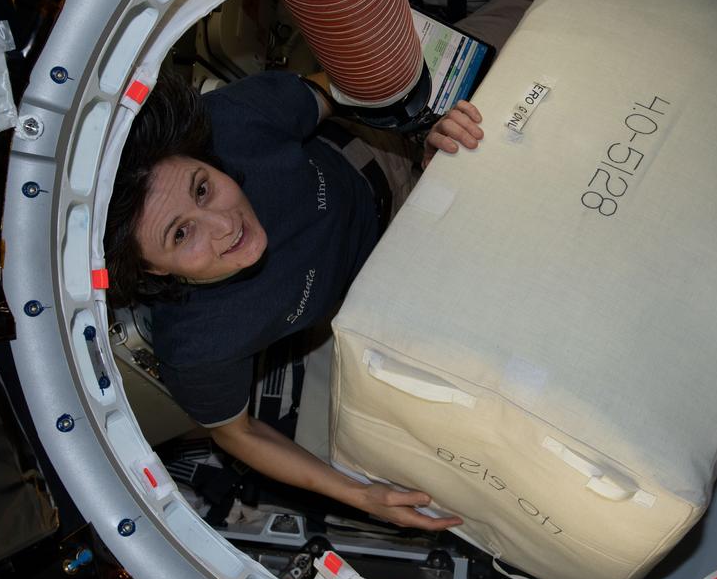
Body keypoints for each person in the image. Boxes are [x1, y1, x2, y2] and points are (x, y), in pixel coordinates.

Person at [104, 69, 483, 531]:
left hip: (382, 147)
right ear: (154, 269)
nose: (223, 224)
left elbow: (343, 85)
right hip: (394, 272)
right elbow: (237, 434)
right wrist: (362, 496)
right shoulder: (196, 344)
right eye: (181, 234)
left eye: (202, 189)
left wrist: (421, 123)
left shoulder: (228, 122)